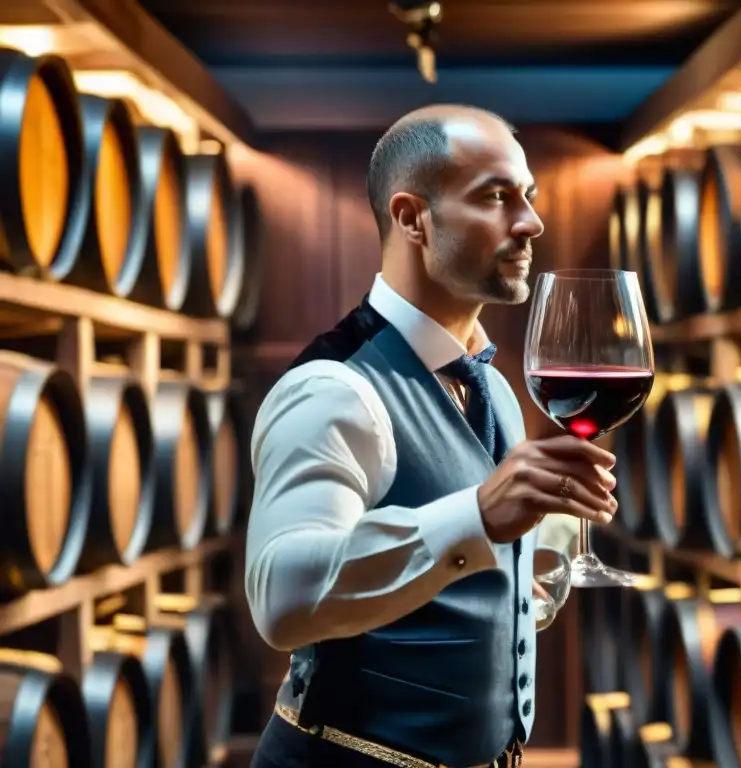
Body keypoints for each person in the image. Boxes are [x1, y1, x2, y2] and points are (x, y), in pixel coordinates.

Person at [245, 104, 619, 768]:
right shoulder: (335, 389)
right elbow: (283, 597)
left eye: (528, 197)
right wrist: (479, 515)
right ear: (413, 217)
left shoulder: (492, 385)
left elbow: (464, 584)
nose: (532, 222)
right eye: (497, 198)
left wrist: (539, 561)